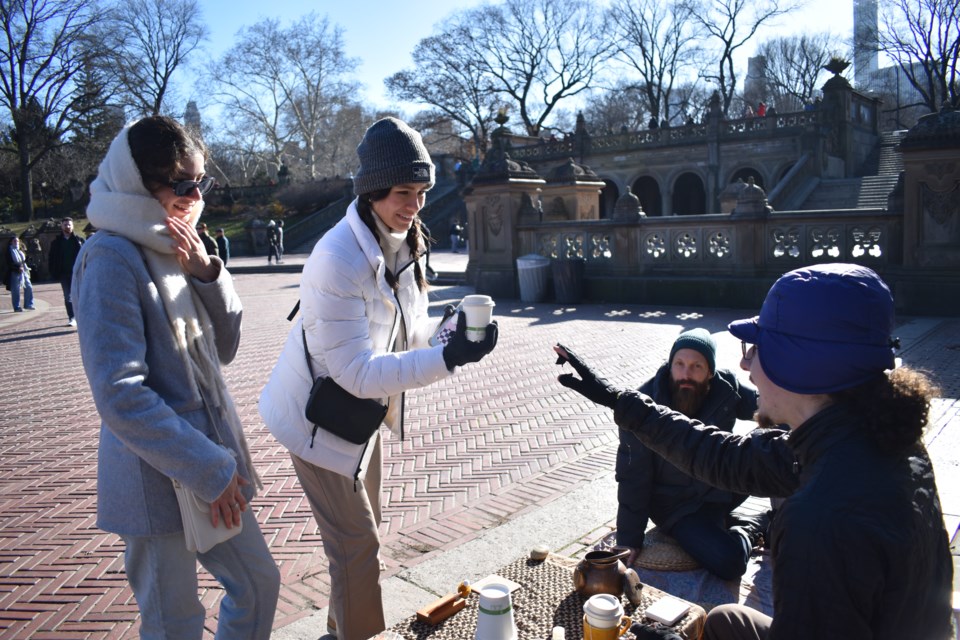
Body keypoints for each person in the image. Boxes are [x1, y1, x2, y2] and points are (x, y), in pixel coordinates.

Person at [553, 263, 953, 640]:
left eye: (757, 348)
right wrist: (619, 400)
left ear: (799, 364)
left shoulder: (820, 519)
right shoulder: (867, 432)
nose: (746, 365)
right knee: (726, 619)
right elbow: (725, 455)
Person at [259, 116, 498, 640]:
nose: (413, 204)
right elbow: (353, 371)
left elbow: (411, 342)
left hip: (362, 417)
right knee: (359, 546)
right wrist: (450, 359)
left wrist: (453, 334)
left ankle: (337, 630)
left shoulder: (410, 242)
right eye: (401, 192)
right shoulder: (336, 257)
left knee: (357, 545)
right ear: (371, 191)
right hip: (317, 420)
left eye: (421, 191)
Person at [75, 115, 280, 639]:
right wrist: (208, 468)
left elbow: (226, 350)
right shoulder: (109, 256)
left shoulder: (178, 247)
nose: (193, 196)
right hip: (154, 473)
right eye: (181, 184)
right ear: (139, 184)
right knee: (175, 623)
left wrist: (207, 274)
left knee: (258, 584)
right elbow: (120, 394)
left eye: (200, 182)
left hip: (213, 462)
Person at [616, 328, 766, 580]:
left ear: (710, 372)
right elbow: (633, 478)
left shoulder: (725, 386)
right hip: (678, 507)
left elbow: (768, 408)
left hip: (720, 489)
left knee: (776, 453)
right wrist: (629, 539)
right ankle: (750, 526)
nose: (686, 374)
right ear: (670, 364)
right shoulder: (641, 407)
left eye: (697, 366)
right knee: (730, 563)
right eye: (680, 364)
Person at [48, 217, 84, 326]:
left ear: (73, 226)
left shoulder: (79, 240)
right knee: (68, 297)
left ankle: (82, 316)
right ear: (61, 226)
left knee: (80, 295)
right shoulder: (56, 243)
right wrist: (53, 271)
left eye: (69, 224)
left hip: (78, 273)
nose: (67, 226)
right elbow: (51, 258)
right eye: (65, 225)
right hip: (64, 273)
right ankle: (72, 317)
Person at [6, 236, 35, 312]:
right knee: (16, 289)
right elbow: (9, 263)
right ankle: (17, 306)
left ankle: (29, 304)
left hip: (23, 270)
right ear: (11, 242)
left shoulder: (20, 250)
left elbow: (24, 260)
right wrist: (17, 268)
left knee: (29, 286)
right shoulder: (9, 251)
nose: (16, 243)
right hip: (14, 272)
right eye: (14, 241)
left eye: (17, 241)